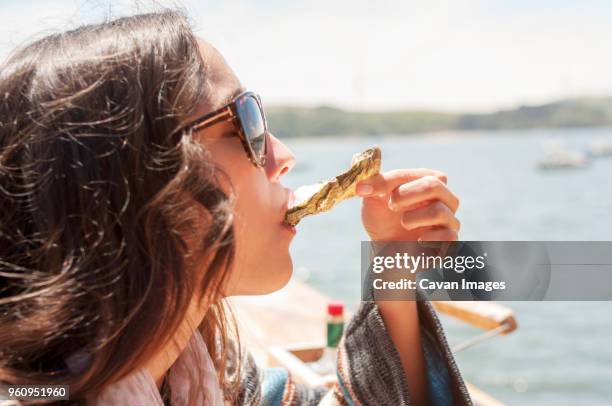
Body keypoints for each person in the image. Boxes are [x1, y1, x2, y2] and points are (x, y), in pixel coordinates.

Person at [0, 10, 469, 406]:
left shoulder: (212, 382)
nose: (283, 158)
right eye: (247, 121)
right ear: (129, 178)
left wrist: (393, 273)